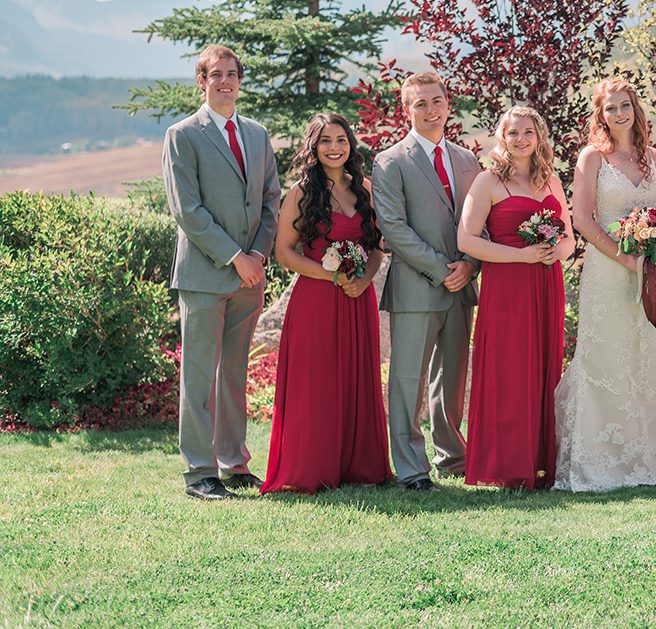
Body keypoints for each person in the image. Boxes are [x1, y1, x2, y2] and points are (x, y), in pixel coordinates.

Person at [554, 78, 656, 492]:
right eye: (610, 109)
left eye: (624, 106)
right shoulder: (592, 158)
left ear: (635, 108)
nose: (619, 114)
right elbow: (583, 220)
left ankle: (645, 460)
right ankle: (598, 463)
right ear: (601, 115)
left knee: (640, 357)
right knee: (603, 357)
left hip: (646, 273)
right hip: (607, 272)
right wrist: (622, 255)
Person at [163, 44, 281, 500]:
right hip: (205, 275)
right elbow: (187, 211)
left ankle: (233, 463)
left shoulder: (256, 134)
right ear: (202, 80)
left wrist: (259, 256)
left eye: (232, 74)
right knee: (199, 375)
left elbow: (271, 200)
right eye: (216, 74)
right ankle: (199, 472)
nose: (225, 81)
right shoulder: (183, 135)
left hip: (250, 275)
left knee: (232, 374)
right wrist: (236, 257)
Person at [261, 113, 390, 494]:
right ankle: (311, 467)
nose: (334, 147)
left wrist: (363, 279)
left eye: (341, 139)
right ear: (313, 148)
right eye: (325, 141)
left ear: (351, 144)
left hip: (357, 298)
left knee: (356, 379)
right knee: (316, 382)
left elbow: (377, 249)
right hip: (317, 299)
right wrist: (331, 275)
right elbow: (284, 253)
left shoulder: (364, 188)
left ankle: (358, 465)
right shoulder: (301, 193)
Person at [371, 73, 482, 492]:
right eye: (421, 104)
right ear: (406, 110)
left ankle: (452, 458)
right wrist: (443, 269)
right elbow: (394, 229)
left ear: (448, 104)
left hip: (461, 285)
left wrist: (470, 265)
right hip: (418, 287)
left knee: (451, 379)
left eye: (437, 101)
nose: (431, 110)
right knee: (407, 380)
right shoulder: (390, 161)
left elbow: (479, 221)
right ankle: (412, 467)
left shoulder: (467, 160)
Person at [459, 106, 575, 489]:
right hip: (506, 286)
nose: (521, 139)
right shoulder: (488, 181)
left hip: (545, 284)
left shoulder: (551, 180)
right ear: (502, 138)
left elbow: (570, 241)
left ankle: (540, 463)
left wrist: (550, 251)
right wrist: (520, 255)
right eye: (513, 133)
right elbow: (467, 240)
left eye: (529, 132)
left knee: (543, 369)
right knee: (508, 369)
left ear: (539, 137)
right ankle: (506, 464)